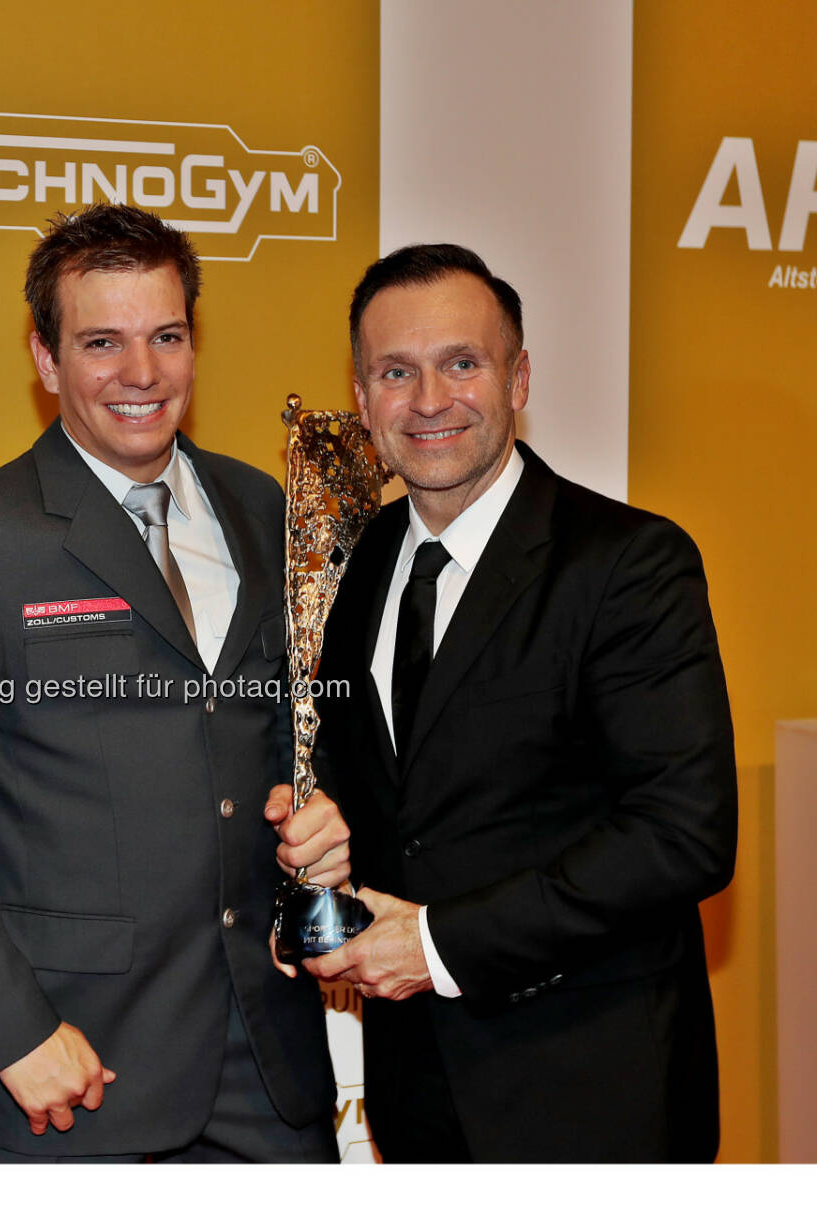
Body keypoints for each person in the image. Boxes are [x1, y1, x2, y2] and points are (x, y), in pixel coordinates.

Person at [0, 203, 338, 1163]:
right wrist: (9, 1031)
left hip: (271, 1078)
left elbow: (290, 738)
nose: (141, 373)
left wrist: (322, 816)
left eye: (166, 336)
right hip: (73, 1081)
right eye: (102, 342)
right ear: (47, 360)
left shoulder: (264, 508)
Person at [271, 243, 737, 1162]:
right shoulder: (363, 566)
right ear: (362, 400)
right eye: (395, 372)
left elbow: (683, 832)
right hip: (415, 1090)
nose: (430, 400)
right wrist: (326, 829)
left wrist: (441, 943)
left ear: (518, 377)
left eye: (462, 363)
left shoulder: (627, 564)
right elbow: (405, 797)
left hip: (592, 1092)